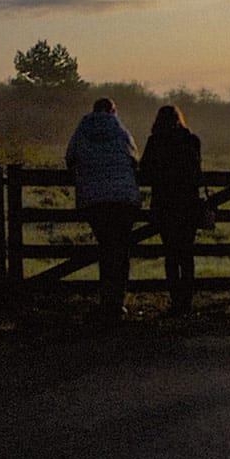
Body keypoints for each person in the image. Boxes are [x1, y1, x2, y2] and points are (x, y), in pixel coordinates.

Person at [66, 98, 142, 323]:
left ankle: (106, 302)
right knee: (121, 249)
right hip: (123, 199)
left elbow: (70, 158)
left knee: (106, 248)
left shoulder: (83, 130)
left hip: (96, 200)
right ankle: (118, 302)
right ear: (113, 111)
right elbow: (134, 158)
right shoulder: (121, 131)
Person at [139, 105, 202, 316]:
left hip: (165, 204)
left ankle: (176, 300)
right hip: (188, 204)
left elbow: (145, 170)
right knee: (187, 253)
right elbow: (197, 171)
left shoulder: (155, 141)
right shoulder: (191, 140)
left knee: (171, 254)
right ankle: (187, 302)